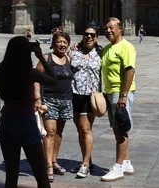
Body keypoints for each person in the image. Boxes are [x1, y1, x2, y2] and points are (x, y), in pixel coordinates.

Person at [0, 36, 58, 188]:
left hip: (7, 122)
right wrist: (41, 57)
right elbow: (54, 80)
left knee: (11, 173)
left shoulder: (0, 70)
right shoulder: (31, 73)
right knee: (41, 173)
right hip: (26, 123)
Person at [100, 17, 136, 182]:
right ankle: (127, 162)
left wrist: (123, 95)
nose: (108, 30)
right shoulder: (108, 48)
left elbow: (129, 70)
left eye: (111, 28)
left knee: (121, 129)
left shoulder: (126, 47)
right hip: (110, 92)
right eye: (106, 28)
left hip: (119, 92)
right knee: (117, 128)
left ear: (120, 29)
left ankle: (118, 167)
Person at [36, 32, 74, 182]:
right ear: (54, 43)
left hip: (65, 100)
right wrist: (37, 98)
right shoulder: (46, 58)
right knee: (50, 132)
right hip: (49, 100)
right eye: (59, 42)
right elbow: (36, 78)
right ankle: (47, 166)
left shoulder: (69, 59)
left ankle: (54, 160)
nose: (62, 45)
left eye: (65, 42)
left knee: (58, 133)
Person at [69, 25, 103, 178]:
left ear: (96, 37)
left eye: (92, 35)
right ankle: (87, 161)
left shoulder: (101, 53)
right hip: (74, 94)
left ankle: (84, 165)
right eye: (86, 34)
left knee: (85, 129)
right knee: (81, 130)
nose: (89, 37)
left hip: (91, 96)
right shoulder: (74, 51)